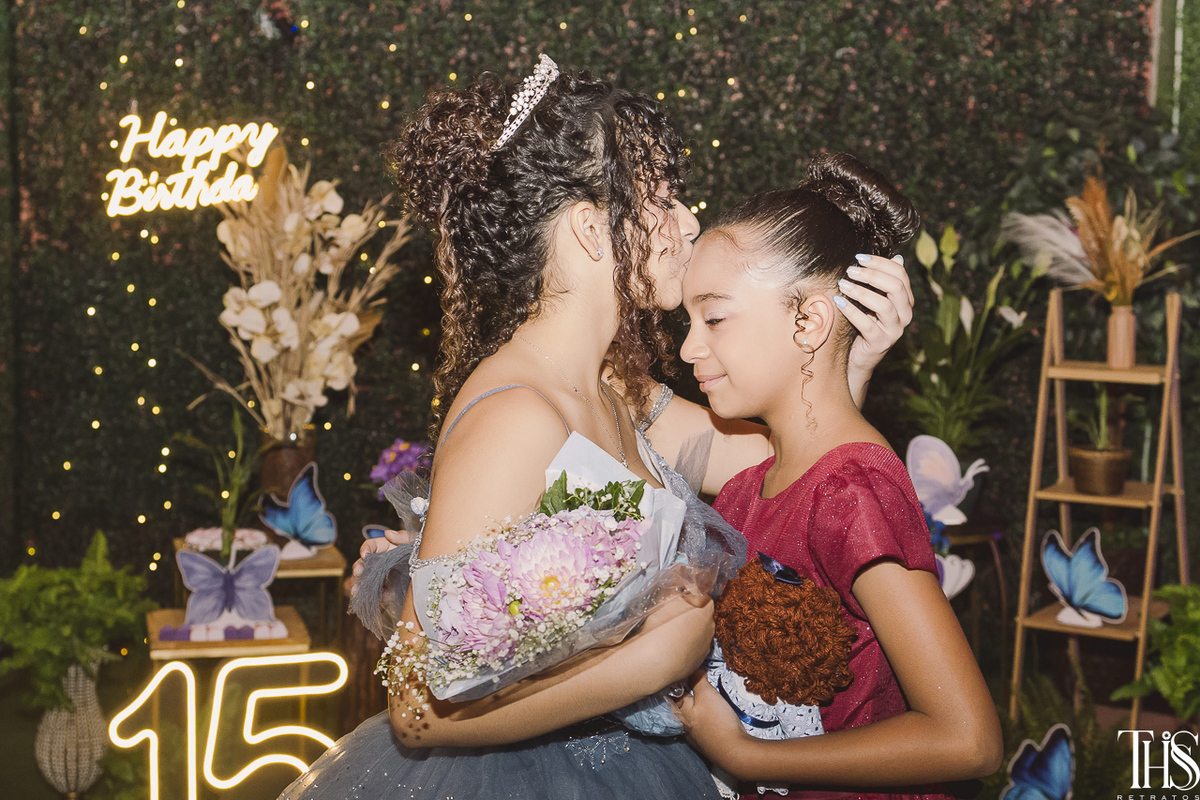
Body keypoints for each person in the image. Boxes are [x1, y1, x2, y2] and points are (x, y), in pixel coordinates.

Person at [287, 58, 911, 800]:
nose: (689, 223)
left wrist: (843, 356)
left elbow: (787, 473)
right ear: (590, 228)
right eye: (666, 200)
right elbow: (418, 710)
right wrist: (650, 660)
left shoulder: (618, 389)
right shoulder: (517, 416)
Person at [671, 153, 1003, 799]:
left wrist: (746, 756)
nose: (688, 347)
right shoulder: (745, 489)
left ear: (811, 321)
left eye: (713, 318)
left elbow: (968, 740)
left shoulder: (850, 491)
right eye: (687, 321)